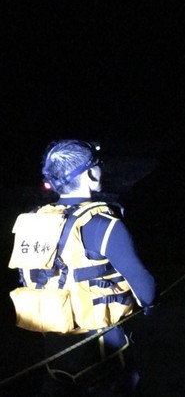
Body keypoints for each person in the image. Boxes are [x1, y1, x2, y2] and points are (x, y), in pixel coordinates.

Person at [8, 140, 155, 396]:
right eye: (98, 164)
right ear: (88, 173)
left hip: (53, 350)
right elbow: (147, 292)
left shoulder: (34, 220)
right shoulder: (103, 223)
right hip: (102, 352)